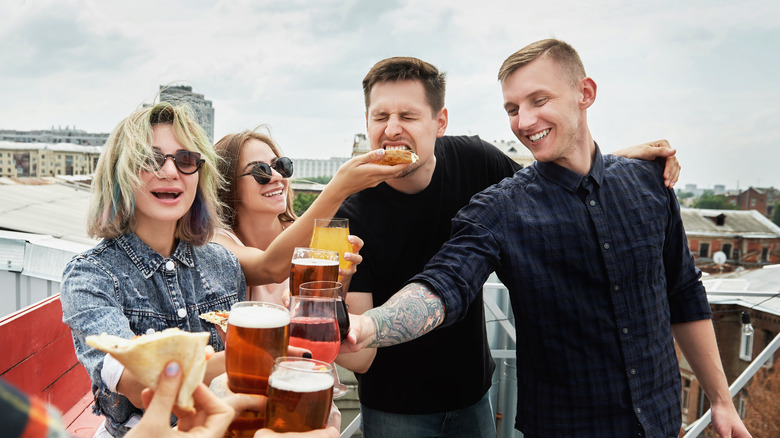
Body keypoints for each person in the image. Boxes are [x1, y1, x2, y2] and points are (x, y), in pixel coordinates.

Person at [336, 56, 683, 437]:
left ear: (440, 122)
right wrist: (340, 301)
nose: (392, 130)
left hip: (473, 396)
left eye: (408, 116)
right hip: (395, 407)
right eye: (380, 117)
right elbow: (362, 360)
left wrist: (615, 164)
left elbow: (549, 190)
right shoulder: (350, 215)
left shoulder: (476, 160)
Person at [60, 102, 247, 437]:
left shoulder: (224, 264)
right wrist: (256, 358)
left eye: (186, 159)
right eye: (150, 159)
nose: (171, 171)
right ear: (120, 173)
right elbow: (136, 383)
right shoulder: (89, 276)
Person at [212, 128, 404, 303]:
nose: (278, 177)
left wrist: (342, 281)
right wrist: (339, 189)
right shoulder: (217, 242)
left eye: (280, 166)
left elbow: (326, 314)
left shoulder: (313, 237)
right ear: (227, 184)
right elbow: (270, 267)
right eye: (260, 171)